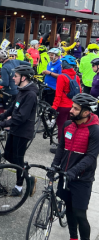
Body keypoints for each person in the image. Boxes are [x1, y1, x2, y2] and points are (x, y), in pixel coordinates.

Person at [48, 93, 99, 240]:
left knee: (80, 214)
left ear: (86, 112)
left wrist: (74, 170)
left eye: (76, 109)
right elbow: (61, 148)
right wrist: (54, 166)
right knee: (69, 208)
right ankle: (73, 237)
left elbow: (91, 157)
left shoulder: (94, 131)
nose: (71, 110)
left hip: (82, 179)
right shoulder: (67, 125)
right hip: (66, 175)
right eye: (72, 107)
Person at [0, 65, 38, 197]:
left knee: (18, 159)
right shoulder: (22, 90)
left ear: (23, 77)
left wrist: (3, 124)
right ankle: (27, 172)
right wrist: (2, 116)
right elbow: (13, 107)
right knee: (9, 155)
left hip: (23, 131)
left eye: (16, 76)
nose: (13, 78)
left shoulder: (30, 94)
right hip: (15, 129)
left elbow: (21, 117)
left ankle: (19, 186)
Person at [50, 55, 81, 154]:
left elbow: (58, 94)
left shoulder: (62, 77)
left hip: (62, 106)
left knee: (61, 127)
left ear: (64, 65)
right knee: (70, 127)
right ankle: (69, 145)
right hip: (73, 106)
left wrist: (54, 107)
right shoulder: (76, 77)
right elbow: (79, 92)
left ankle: (61, 148)